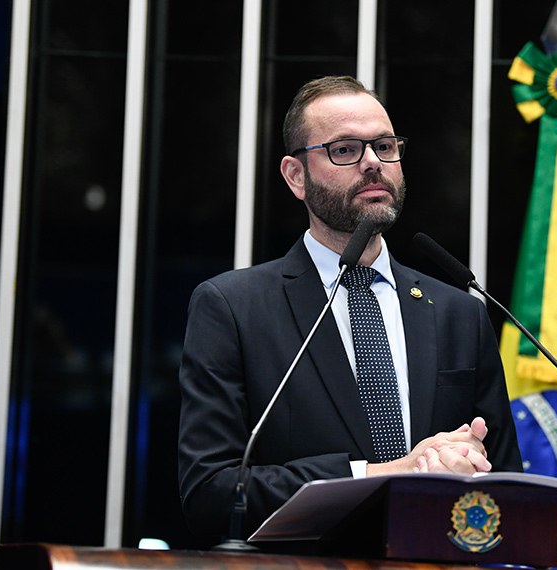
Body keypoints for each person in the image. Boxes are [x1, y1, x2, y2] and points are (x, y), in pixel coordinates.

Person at [177, 75, 522, 547]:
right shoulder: (233, 308)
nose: (373, 164)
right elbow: (211, 494)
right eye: (344, 150)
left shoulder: (458, 311)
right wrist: (380, 473)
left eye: (384, 146)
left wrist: (469, 467)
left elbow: (506, 490)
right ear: (296, 176)